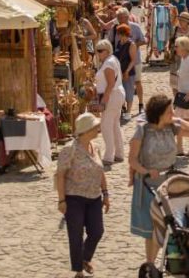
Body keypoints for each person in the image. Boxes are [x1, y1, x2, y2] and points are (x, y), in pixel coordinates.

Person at [129, 95, 189, 266]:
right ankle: (150, 265)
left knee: (172, 225)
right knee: (152, 228)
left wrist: (180, 121)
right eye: (169, 111)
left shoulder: (172, 127)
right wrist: (147, 171)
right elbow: (132, 159)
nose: (173, 113)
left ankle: (173, 261)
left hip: (169, 184)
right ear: (159, 113)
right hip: (148, 184)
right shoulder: (142, 130)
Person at [56, 113, 110, 278]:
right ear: (86, 130)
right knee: (76, 235)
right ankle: (79, 270)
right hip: (74, 198)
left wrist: (106, 193)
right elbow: (60, 176)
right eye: (95, 127)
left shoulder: (96, 147)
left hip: (94, 197)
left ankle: (85, 258)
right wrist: (61, 200)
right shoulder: (69, 150)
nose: (98, 129)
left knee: (97, 231)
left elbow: (101, 172)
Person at [94, 39, 125, 166]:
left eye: (100, 51)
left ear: (107, 51)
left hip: (112, 96)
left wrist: (103, 101)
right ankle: (119, 153)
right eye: (97, 51)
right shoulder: (112, 60)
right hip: (116, 94)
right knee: (114, 125)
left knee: (106, 125)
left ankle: (109, 156)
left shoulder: (108, 64)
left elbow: (110, 84)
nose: (98, 53)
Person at [113, 25, 138, 118]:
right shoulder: (119, 43)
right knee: (121, 91)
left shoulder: (131, 44)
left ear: (123, 33)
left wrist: (127, 71)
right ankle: (123, 109)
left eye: (118, 33)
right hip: (119, 72)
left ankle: (128, 112)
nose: (117, 35)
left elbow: (133, 60)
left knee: (129, 91)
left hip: (128, 72)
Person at [169, 12, 189, 93]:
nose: (180, 21)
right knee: (174, 81)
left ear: (188, 21)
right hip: (175, 58)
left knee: (187, 79)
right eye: (180, 20)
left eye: (183, 20)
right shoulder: (175, 29)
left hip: (187, 59)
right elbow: (170, 41)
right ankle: (176, 97)